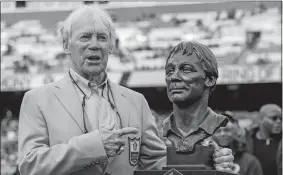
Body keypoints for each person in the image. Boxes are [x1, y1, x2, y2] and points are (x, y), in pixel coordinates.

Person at [18, 5, 234, 175]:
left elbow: (157, 163)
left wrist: (204, 159)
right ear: (66, 45)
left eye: (102, 38)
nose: (95, 45)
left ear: (111, 46)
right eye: (85, 37)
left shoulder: (135, 101)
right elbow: (29, 166)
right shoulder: (38, 100)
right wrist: (94, 146)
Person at [162, 41, 234, 171]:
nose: (174, 77)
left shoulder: (221, 129)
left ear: (209, 79)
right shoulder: (157, 133)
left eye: (187, 69)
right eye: (170, 70)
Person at [245, 104, 282, 175]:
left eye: (281, 118)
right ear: (261, 119)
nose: (279, 121)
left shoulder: (281, 141)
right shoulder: (247, 139)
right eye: (274, 118)